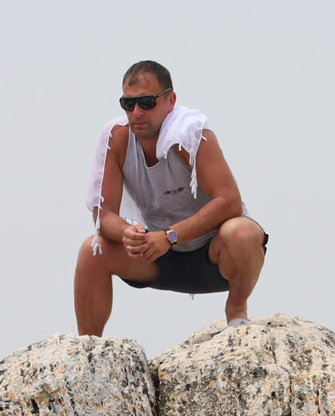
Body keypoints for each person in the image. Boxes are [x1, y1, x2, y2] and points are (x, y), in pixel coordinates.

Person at [74, 59, 268, 336]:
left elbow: (229, 201)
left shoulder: (191, 136)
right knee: (92, 250)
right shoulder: (116, 139)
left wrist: (170, 236)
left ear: (170, 101)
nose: (137, 112)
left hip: (214, 258)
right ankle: (88, 349)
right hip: (157, 255)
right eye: (129, 104)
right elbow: (103, 217)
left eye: (146, 102)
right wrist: (128, 232)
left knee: (244, 231)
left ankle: (237, 313)